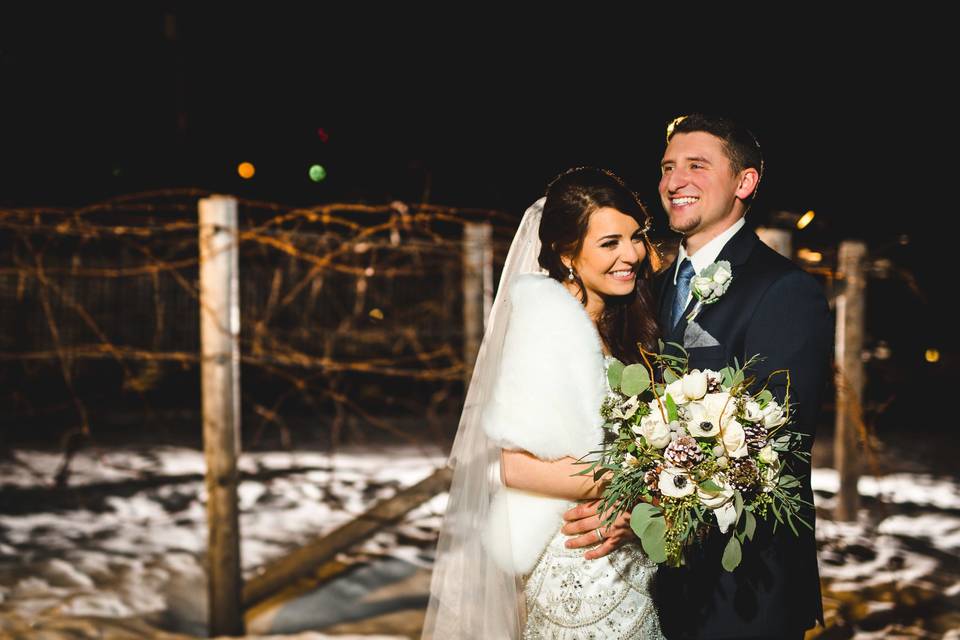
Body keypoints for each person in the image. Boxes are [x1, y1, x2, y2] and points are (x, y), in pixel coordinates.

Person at [562, 114, 833, 639]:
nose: (673, 181)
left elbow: (773, 448)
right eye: (667, 167)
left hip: (742, 590)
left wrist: (641, 508)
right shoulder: (645, 290)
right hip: (652, 586)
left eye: (696, 166)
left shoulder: (784, 292)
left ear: (744, 182)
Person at [422, 167, 665, 638]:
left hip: (623, 556)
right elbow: (510, 466)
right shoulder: (547, 327)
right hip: (577, 564)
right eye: (609, 243)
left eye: (635, 238)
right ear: (567, 253)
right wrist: (630, 483)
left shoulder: (611, 325)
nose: (631, 254)